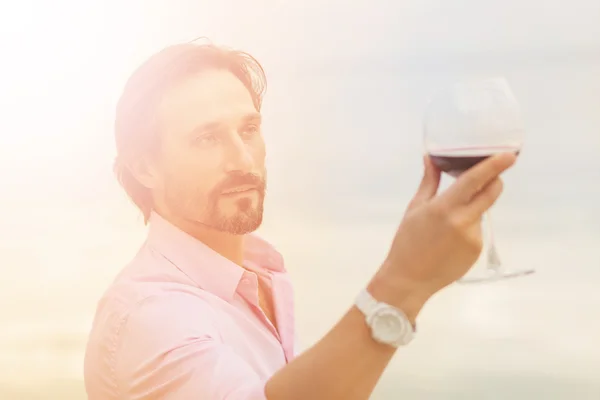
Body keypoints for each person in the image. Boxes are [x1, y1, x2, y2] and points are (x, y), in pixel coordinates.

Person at [84, 42, 517, 400]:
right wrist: (404, 282)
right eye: (207, 138)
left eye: (248, 129)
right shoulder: (150, 319)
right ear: (145, 168)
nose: (242, 159)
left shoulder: (254, 275)